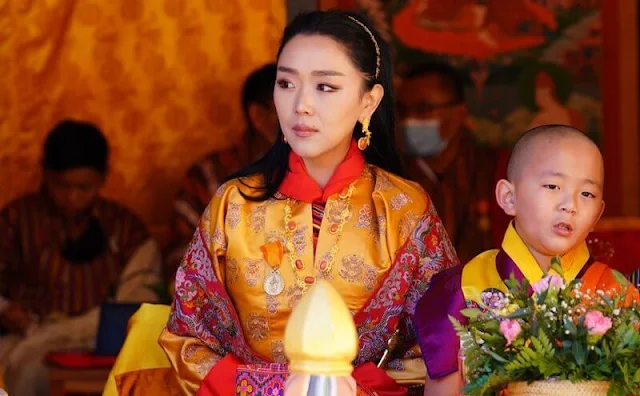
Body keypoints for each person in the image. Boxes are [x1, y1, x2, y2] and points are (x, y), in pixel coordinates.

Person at [159, 10, 459, 396]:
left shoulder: (404, 208)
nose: (300, 104)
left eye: (326, 87)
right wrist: (264, 387)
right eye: (286, 83)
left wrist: (356, 386)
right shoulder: (233, 204)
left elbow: (444, 339)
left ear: (369, 102)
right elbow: (187, 338)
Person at [414, 124, 640, 395]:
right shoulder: (461, 289)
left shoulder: (617, 294)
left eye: (587, 194)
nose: (570, 205)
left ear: (598, 213)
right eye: (553, 186)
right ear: (509, 197)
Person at [0, 120, 161, 396]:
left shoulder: (124, 229)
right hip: (26, 337)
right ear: (46, 174)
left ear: (102, 178)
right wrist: (5, 310)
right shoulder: (16, 220)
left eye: (84, 188)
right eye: (62, 186)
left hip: (98, 346)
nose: (72, 197)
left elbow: (140, 300)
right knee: (26, 370)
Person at [166, 63, 278, 274]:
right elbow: (180, 263)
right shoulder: (209, 177)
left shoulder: (319, 173)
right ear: (260, 117)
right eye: (291, 108)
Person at [398, 62, 494, 264]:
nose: (409, 119)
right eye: (402, 110)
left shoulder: (496, 170)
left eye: (423, 108)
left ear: (459, 113)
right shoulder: (393, 177)